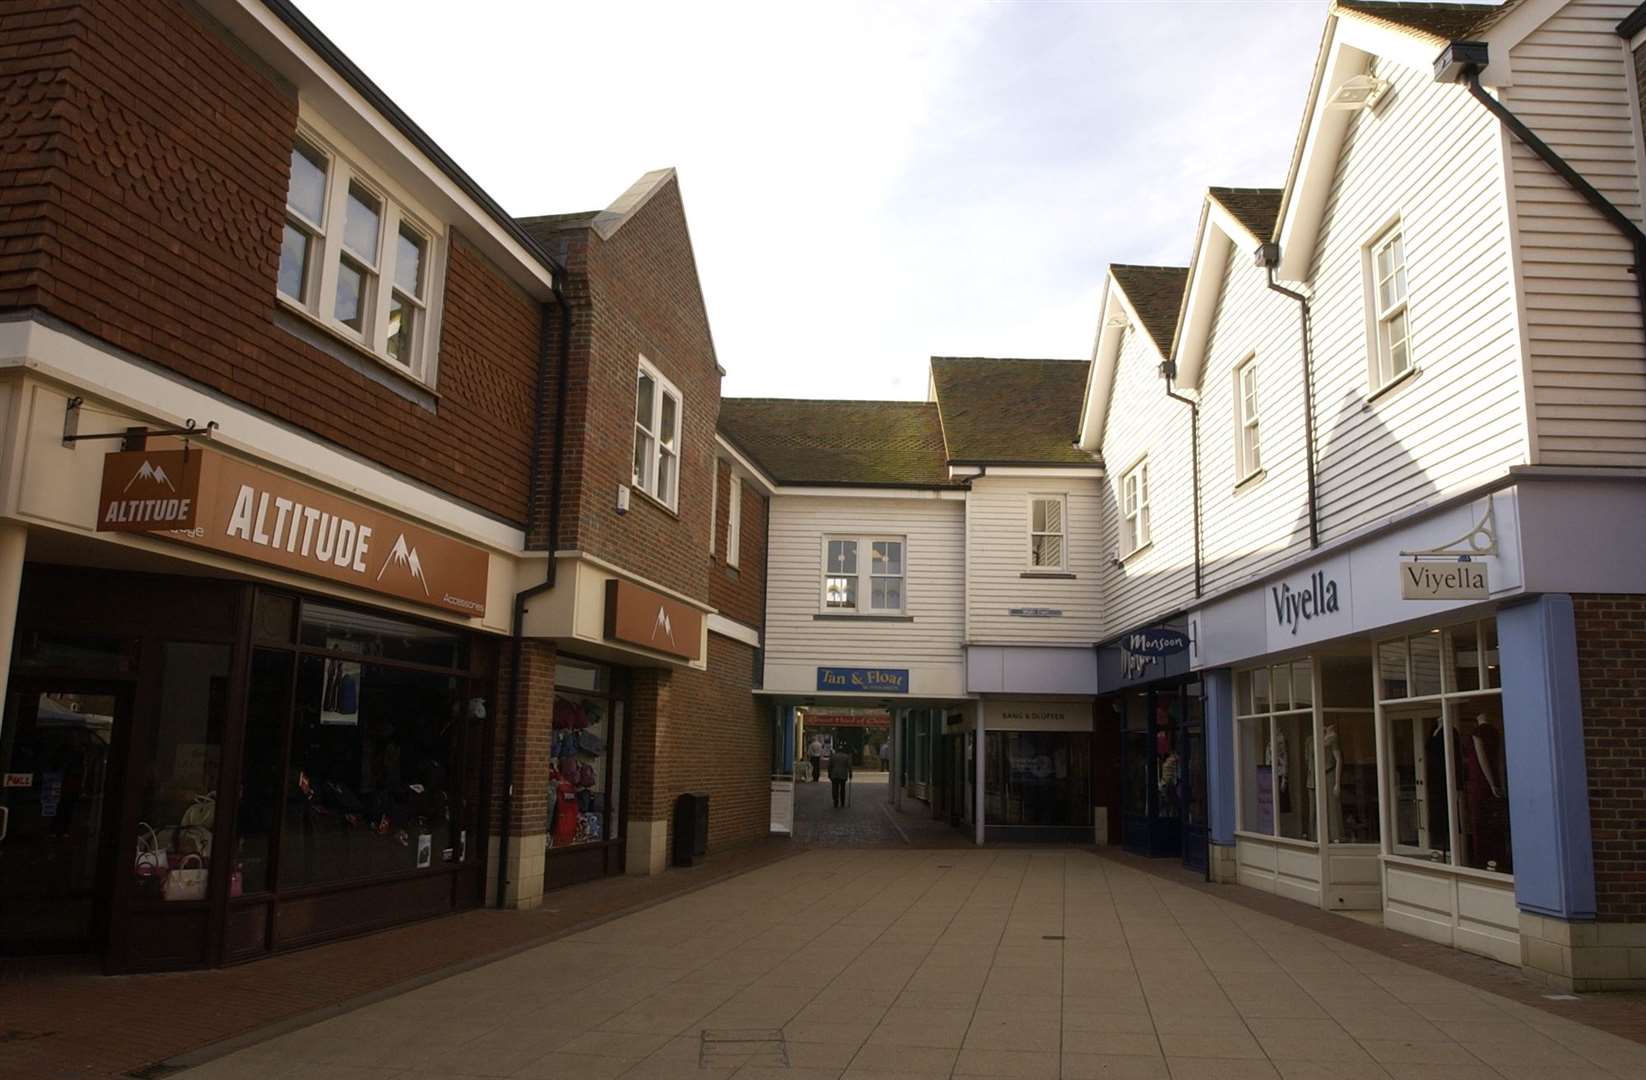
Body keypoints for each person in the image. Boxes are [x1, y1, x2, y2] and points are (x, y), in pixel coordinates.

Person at [828, 742, 853, 808]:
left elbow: (829, 766)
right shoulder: (846, 757)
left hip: (835, 774)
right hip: (843, 775)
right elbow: (849, 766)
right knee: (842, 788)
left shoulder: (833, 756)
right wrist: (850, 774)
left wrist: (829, 774)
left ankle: (835, 800)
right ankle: (842, 802)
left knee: (835, 788)